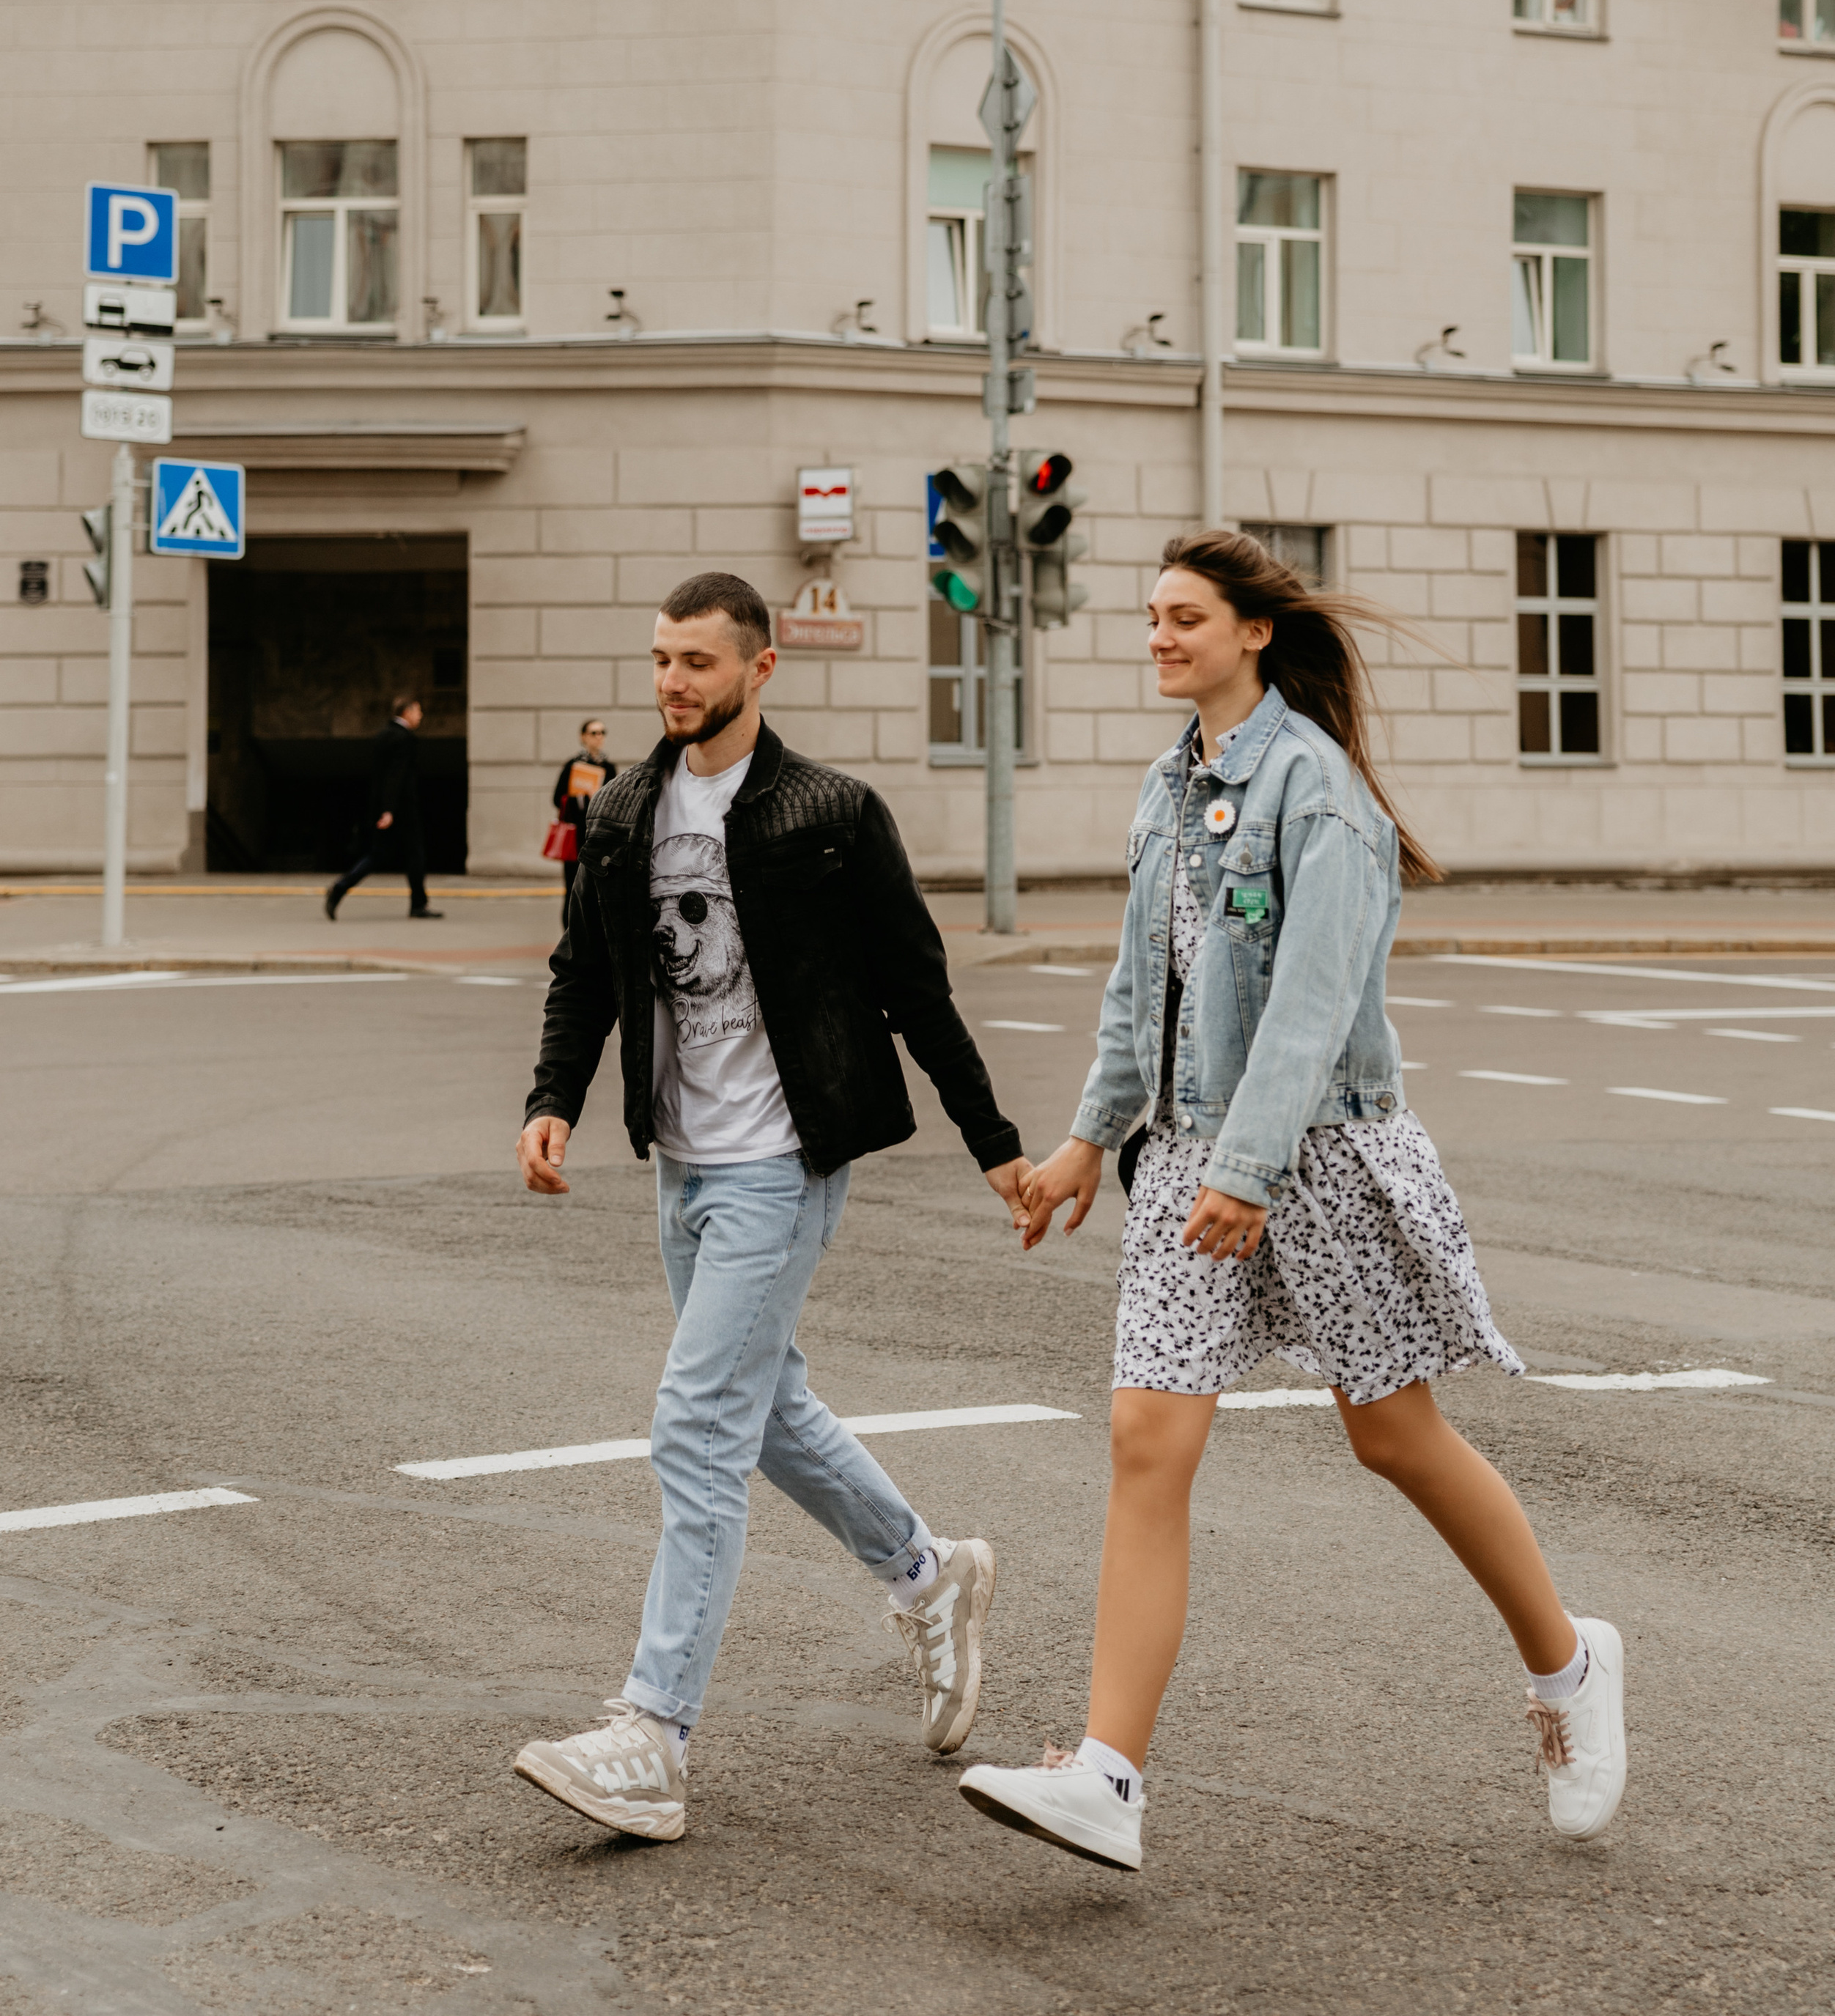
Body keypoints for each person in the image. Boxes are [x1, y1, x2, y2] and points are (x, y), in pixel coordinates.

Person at [958, 529, 1628, 1875]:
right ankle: (1108, 1774)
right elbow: (1141, 989)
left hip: (1309, 1158)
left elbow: (1313, 1012)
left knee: (1395, 1439)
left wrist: (1247, 1176)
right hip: (1194, 1160)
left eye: (1185, 617)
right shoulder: (1168, 785)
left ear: (1254, 631)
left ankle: (1569, 1668)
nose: (1160, 636)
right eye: (1151, 617)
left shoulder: (1320, 795)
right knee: (1148, 1437)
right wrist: (1091, 1140)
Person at [511, 569, 1033, 1844]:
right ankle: (930, 1572)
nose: (672, 683)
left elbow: (917, 988)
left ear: (760, 667)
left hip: (783, 1162)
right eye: (659, 660)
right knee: (762, 1404)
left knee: (696, 1424)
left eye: (697, 661)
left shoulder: (829, 815)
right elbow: (584, 968)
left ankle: (653, 1735)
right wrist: (553, 1100)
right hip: (683, 1162)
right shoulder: (628, 807)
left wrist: (996, 1146)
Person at [323, 693, 443, 922]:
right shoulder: (404, 738)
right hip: (401, 810)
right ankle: (418, 905)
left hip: (384, 808)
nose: (421, 715)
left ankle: (340, 887)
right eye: (418, 711)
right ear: (406, 713)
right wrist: (390, 811)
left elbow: (381, 777)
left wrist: (383, 809)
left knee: (379, 855)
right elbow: (395, 777)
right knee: (415, 854)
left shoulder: (384, 735)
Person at [550, 717, 616, 908]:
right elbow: (557, 798)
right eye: (594, 733)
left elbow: (615, 802)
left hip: (598, 837)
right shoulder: (573, 765)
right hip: (576, 835)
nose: (599, 737)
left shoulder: (608, 767)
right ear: (584, 737)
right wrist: (578, 797)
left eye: (602, 732)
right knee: (572, 888)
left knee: (597, 890)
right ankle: (570, 934)